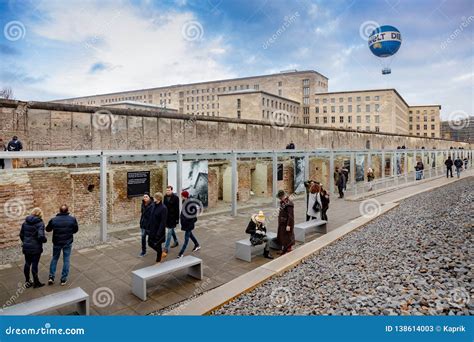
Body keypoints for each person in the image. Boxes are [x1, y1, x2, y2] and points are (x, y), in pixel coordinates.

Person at [46, 205, 79, 286]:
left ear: (59, 210)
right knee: (66, 260)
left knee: (54, 258)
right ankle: (63, 279)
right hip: (67, 242)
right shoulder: (72, 219)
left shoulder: (54, 220)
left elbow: (48, 229)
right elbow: (76, 230)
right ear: (67, 210)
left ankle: (51, 277)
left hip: (57, 242)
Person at [19, 208, 47, 288]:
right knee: (35, 265)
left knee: (27, 263)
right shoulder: (40, 223)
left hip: (26, 247)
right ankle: (36, 282)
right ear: (40, 214)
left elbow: (21, 235)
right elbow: (41, 236)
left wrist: (25, 242)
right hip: (36, 248)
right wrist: (44, 240)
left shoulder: (25, 222)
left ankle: (27, 282)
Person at [178, 191, 201, 258]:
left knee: (186, 239)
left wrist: (189, 221)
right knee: (190, 234)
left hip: (189, 224)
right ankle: (197, 245)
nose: (181, 197)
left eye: (182, 195)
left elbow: (194, 214)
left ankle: (181, 253)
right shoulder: (184, 201)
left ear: (184, 196)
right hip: (186, 223)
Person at [148, 192, 168, 263]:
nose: (153, 198)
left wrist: (158, 234)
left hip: (158, 231)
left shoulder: (163, 208)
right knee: (150, 243)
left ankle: (158, 260)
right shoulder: (153, 205)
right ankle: (161, 253)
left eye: (154, 197)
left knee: (158, 245)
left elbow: (163, 223)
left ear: (158, 199)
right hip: (152, 229)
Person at [276, 190, 295, 255]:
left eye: (280, 198)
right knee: (284, 236)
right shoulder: (283, 202)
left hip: (286, 223)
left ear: (283, 196)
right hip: (283, 222)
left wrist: (288, 225)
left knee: (286, 236)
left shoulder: (289, 204)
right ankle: (286, 248)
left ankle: (285, 250)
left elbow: (290, 215)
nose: (280, 199)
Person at [163, 185, 180, 257]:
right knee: (171, 230)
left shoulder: (176, 198)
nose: (167, 191)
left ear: (172, 190)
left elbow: (177, 209)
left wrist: (177, 219)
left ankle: (166, 248)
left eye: (169, 190)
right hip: (166, 218)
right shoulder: (165, 197)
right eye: (167, 190)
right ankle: (176, 241)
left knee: (169, 232)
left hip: (173, 218)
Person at [138, 193, 154, 257]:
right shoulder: (143, 204)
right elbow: (142, 213)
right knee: (143, 237)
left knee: (151, 239)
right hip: (143, 224)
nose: (145, 198)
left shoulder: (152, 205)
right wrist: (141, 222)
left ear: (149, 197)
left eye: (146, 197)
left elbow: (152, 216)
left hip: (149, 225)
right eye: (144, 197)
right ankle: (143, 251)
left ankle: (158, 248)